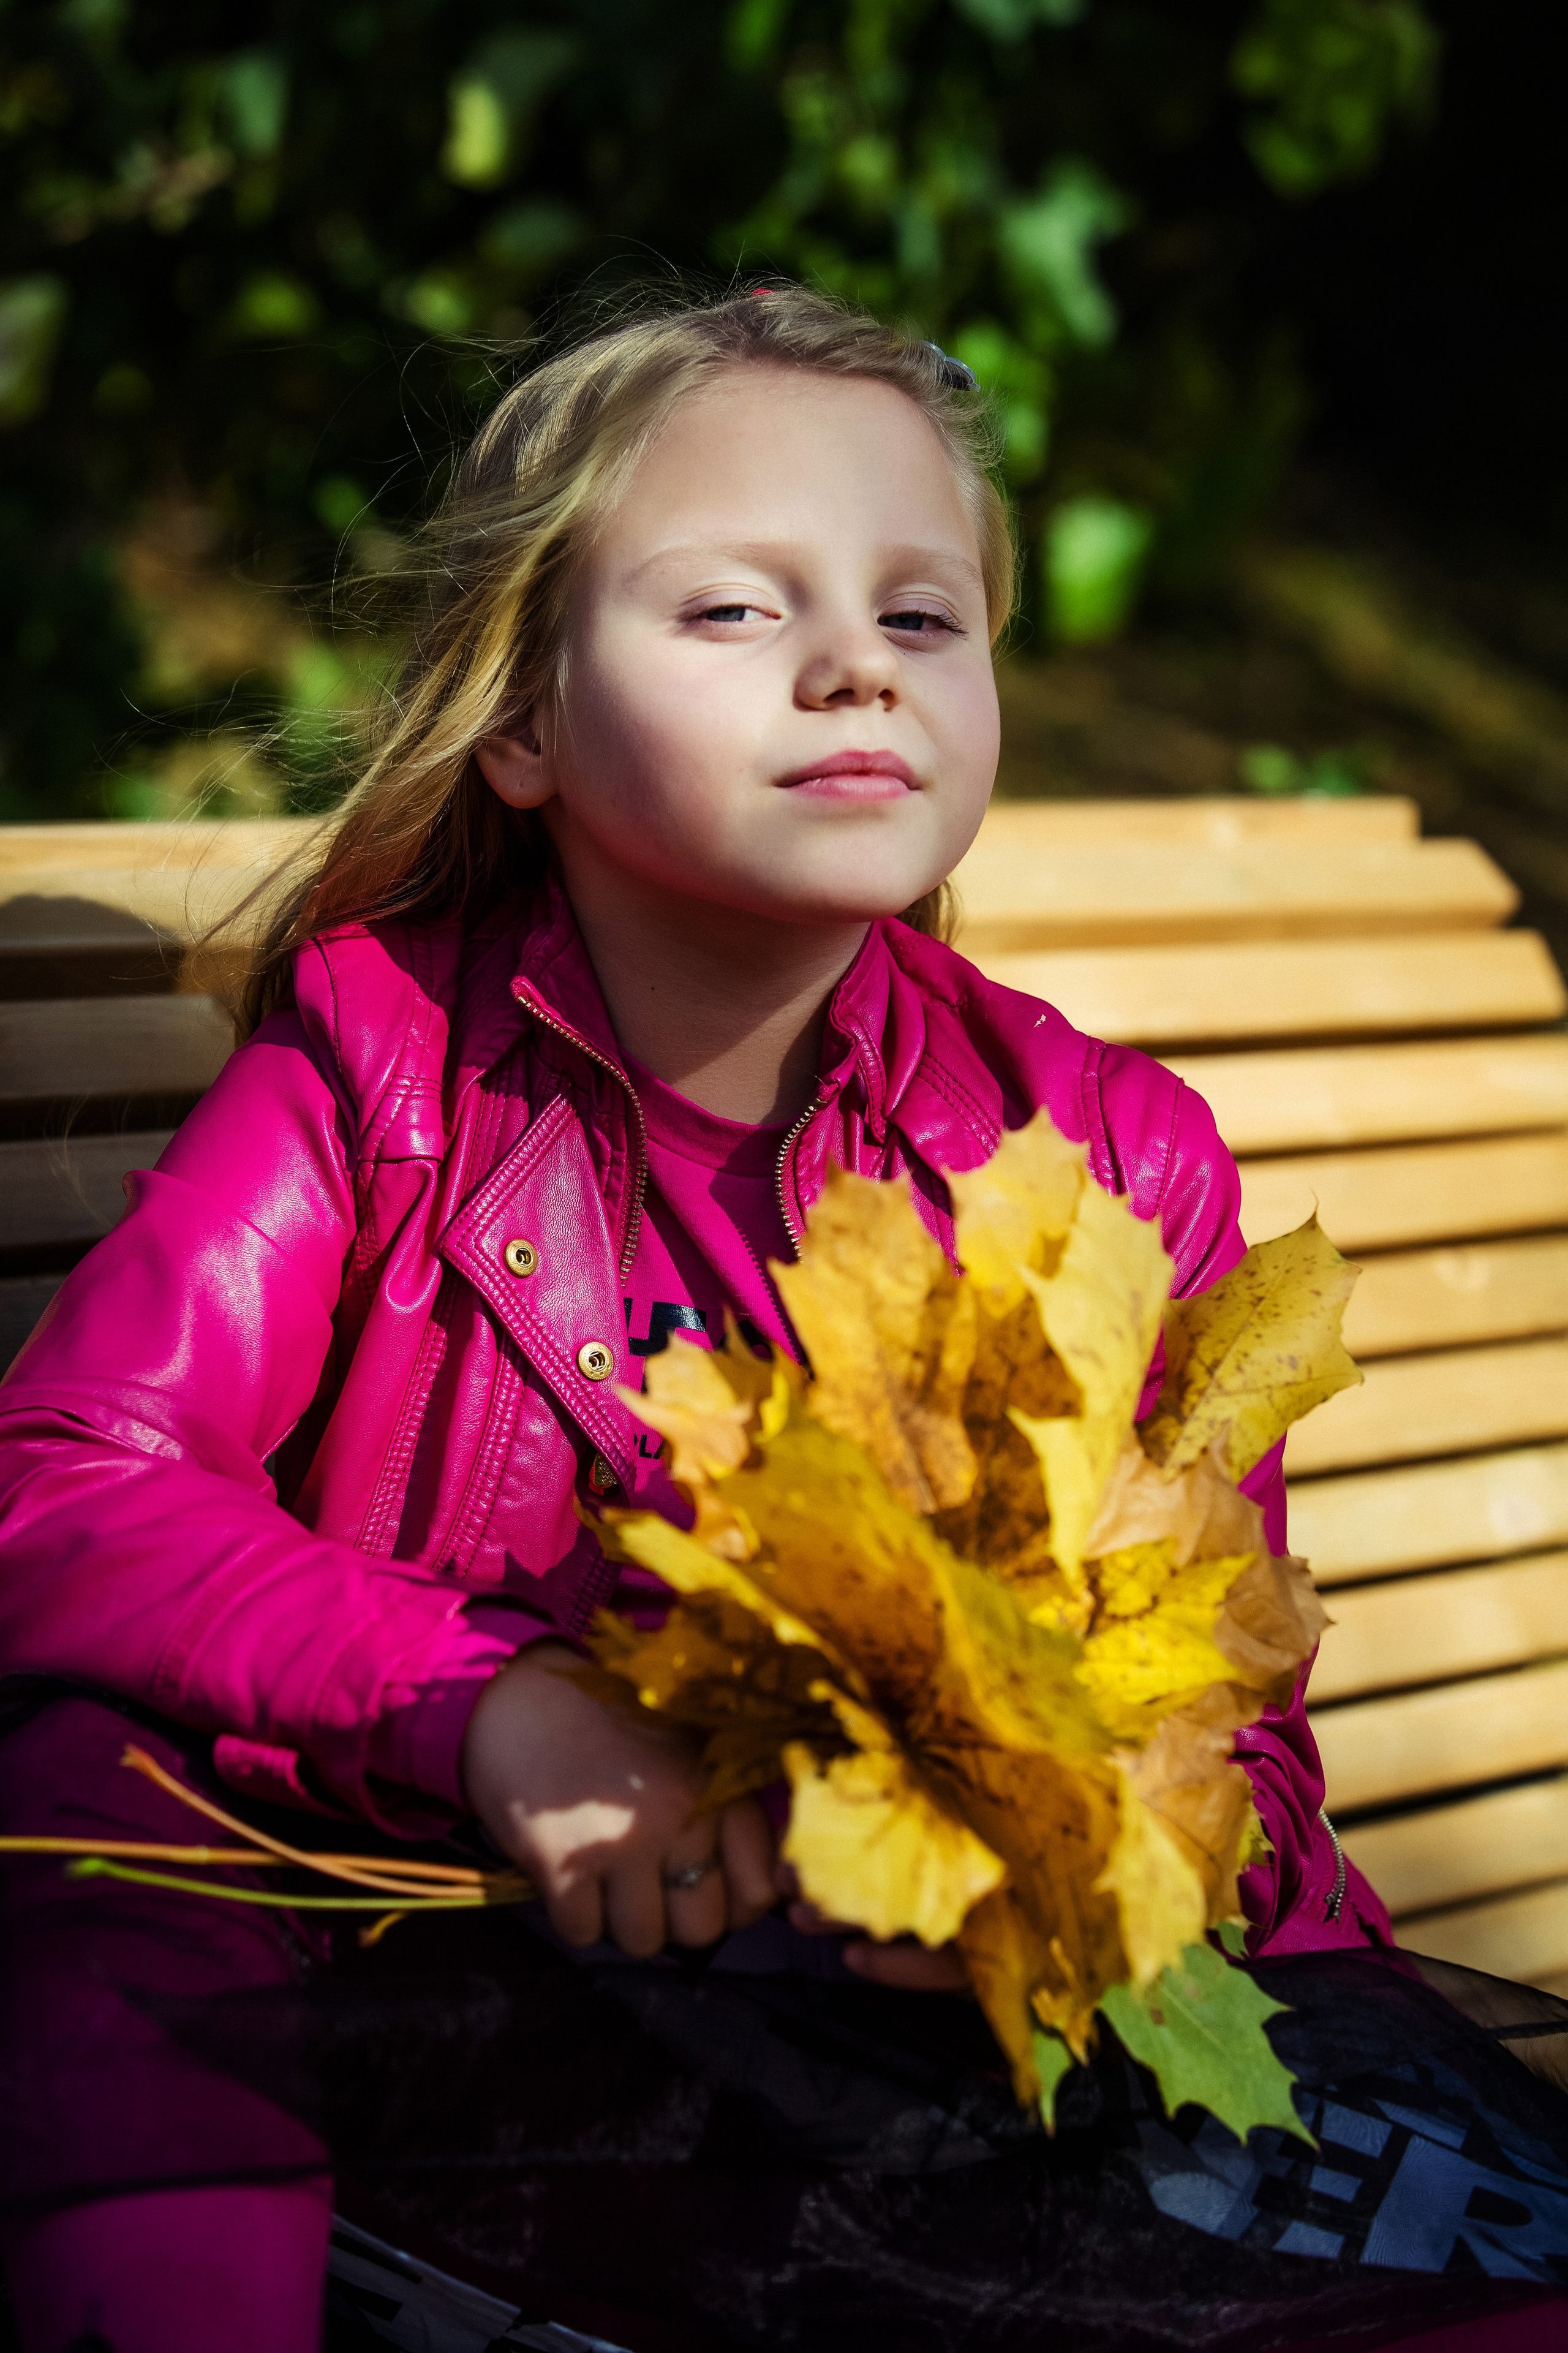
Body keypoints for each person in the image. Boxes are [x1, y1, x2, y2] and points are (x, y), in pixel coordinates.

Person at [1, 285, 1563, 2353]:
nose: (856, 665)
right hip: (448, 2000)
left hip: (915, 2073)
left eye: (926, 618)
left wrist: (1067, 1862)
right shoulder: (383, 1069)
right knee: (83, 1793)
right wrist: (492, 1703)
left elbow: (1243, 1746)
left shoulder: (1110, 1160)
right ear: (526, 725)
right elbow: (61, 1476)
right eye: (737, 611)